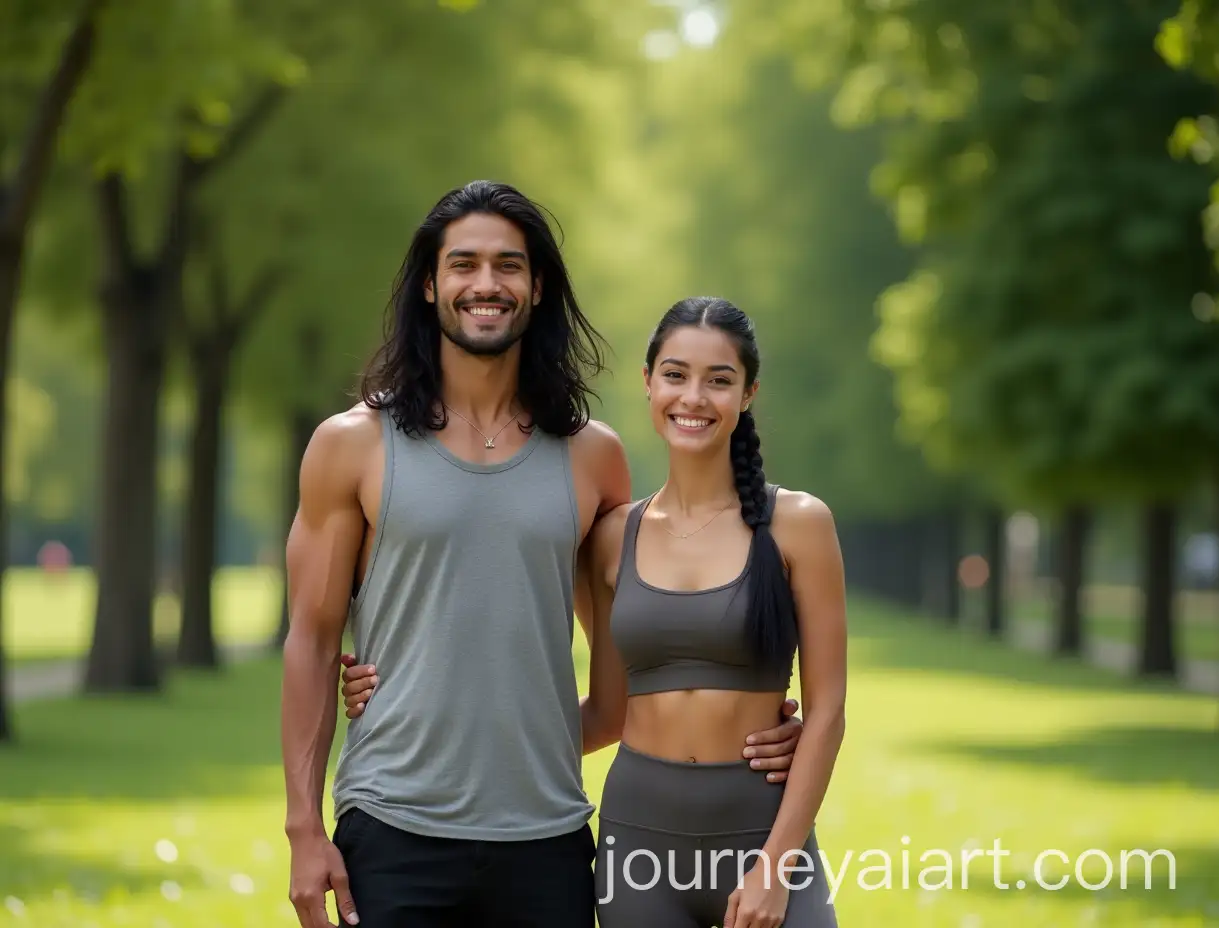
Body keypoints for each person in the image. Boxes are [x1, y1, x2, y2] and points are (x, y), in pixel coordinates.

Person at [279, 180, 806, 928]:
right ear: (429, 285)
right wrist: (304, 827)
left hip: (547, 842)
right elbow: (311, 638)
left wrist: (752, 720)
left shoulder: (592, 458)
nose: (485, 284)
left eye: (508, 265)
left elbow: (632, 670)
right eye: (463, 264)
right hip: (391, 829)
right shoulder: (351, 444)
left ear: (538, 287)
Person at [343, 296, 848, 927]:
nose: (693, 397)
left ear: (747, 394)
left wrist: (775, 868)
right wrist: (407, 708)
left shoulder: (799, 524)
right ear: (647, 383)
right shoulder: (612, 538)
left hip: (764, 835)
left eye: (719, 380)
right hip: (639, 845)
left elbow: (827, 711)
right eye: (675, 374)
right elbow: (495, 591)